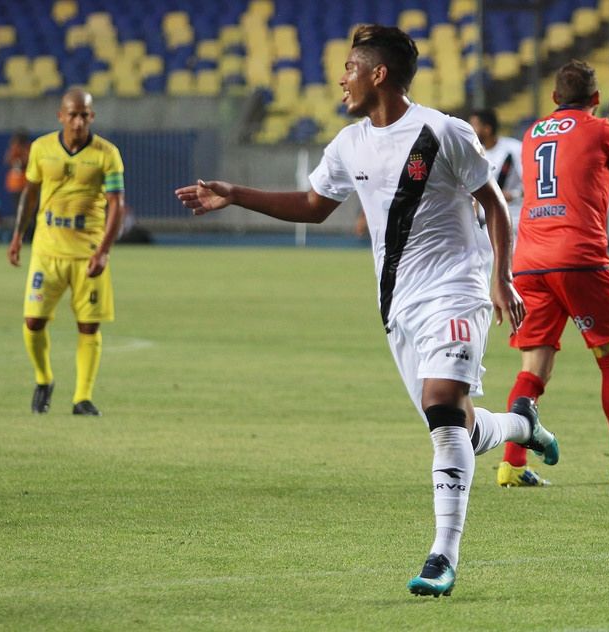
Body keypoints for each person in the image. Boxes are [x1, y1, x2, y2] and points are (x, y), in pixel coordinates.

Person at [175, 24, 559, 598]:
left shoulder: (443, 131)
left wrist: (501, 278)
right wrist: (235, 192)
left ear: (378, 74)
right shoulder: (349, 144)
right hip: (398, 306)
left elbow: (496, 204)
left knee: (442, 408)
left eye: (351, 67)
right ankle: (521, 425)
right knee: (453, 421)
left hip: (458, 290)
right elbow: (312, 206)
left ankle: (442, 556)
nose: (341, 78)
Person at [496, 60, 609, 488]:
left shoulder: (532, 135)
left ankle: (511, 464)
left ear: (554, 98)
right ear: (596, 99)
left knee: (534, 365)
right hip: (580, 258)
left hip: (530, 260)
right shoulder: (601, 130)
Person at [6, 87, 125, 417]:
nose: (78, 121)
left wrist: (103, 251)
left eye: (84, 114)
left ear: (92, 116)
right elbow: (30, 195)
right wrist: (17, 236)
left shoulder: (107, 154)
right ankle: (43, 379)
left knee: (89, 327)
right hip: (47, 252)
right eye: (72, 114)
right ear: (61, 116)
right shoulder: (42, 149)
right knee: (33, 322)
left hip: (88, 255)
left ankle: (82, 398)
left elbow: (118, 205)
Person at [469, 109, 523, 232]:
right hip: (487, 224)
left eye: (474, 125)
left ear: (487, 129)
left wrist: (514, 195)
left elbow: (532, 184)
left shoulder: (514, 148)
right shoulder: (474, 154)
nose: (470, 130)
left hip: (514, 222)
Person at [4, 129, 31, 212]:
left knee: (29, 208)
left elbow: (28, 160)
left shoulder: (29, 147)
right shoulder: (14, 148)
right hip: (16, 184)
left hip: (27, 183)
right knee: (18, 208)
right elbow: (7, 161)